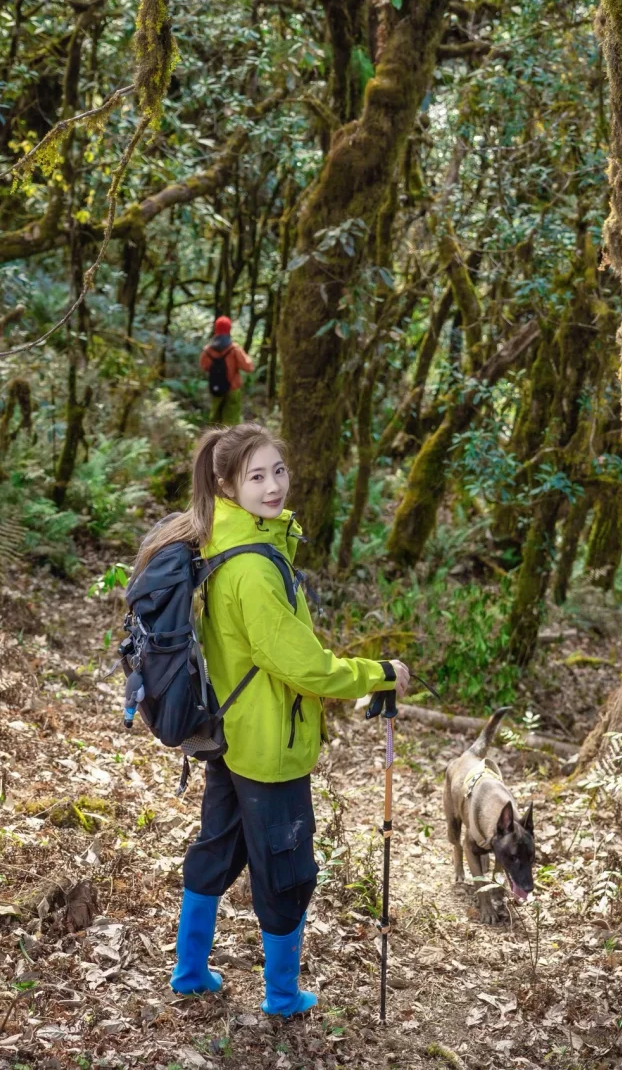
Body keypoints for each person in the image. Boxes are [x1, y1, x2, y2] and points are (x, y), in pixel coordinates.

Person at [130, 423, 410, 1016]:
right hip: (268, 747)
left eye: (278, 470)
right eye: (256, 476)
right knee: (287, 872)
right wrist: (379, 673)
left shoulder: (223, 538)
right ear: (227, 486)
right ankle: (282, 997)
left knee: (217, 848)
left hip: (230, 735)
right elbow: (303, 665)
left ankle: (189, 971)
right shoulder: (254, 568)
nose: (273, 485)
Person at [199, 315, 253, 425]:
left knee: (215, 421)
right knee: (231, 423)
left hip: (216, 388)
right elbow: (249, 367)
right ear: (229, 329)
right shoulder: (234, 349)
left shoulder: (208, 350)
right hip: (233, 388)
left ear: (216, 329)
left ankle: (214, 436)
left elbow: (203, 366)